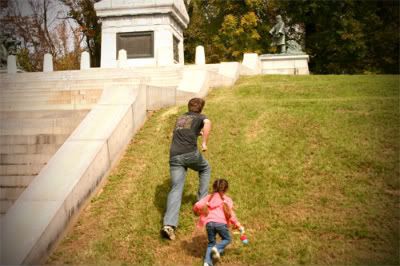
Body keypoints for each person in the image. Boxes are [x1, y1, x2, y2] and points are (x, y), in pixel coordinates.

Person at [161, 98, 212, 240]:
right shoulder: (202, 117)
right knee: (205, 168)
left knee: (176, 188)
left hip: (174, 156)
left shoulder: (181, 118)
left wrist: (197, 133)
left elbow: (186, 131)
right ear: (201, 109)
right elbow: (207, 125)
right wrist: (204, 143)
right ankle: (201, 204)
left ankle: (169, 225)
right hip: (190, 154)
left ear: (188, 107)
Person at [193, 179, 244, 266]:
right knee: (227, 239)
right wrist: (237, 224)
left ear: (213, 187)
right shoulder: (227, 200)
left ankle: (207, 263)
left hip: (209, 223)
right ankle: (216, 249)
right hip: (221, 223)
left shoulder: (208, 197)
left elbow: (197, 205)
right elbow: (230, 214)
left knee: (211, 243)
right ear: (226, 189)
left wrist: (196, 211)